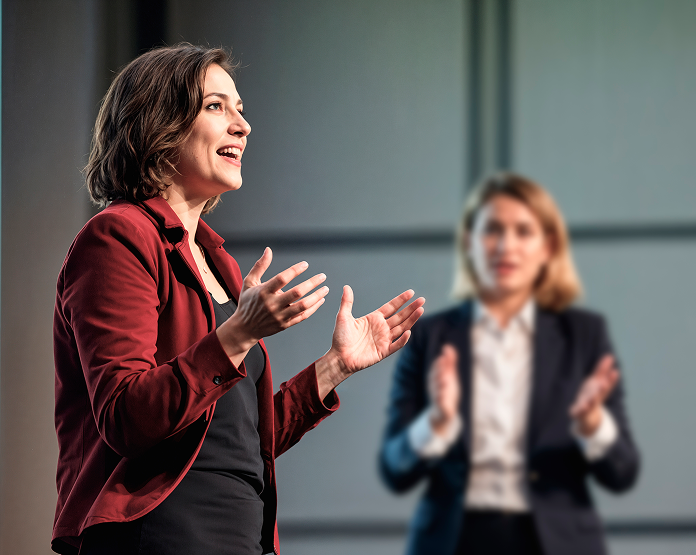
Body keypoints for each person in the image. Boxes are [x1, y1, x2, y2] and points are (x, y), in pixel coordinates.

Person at [52, 44, 425, 555]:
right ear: (158, 124)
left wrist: (334, 367)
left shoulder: (220, 263)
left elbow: (242, 438)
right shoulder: (118, 236)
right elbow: (126, 416)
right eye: (216, 106)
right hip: (156, 536)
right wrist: (239, 333)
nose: (243, 126)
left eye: (241, 110)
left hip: (238, 538)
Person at [379, 173, 639, 555]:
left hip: (558, 543)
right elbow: (394, 470)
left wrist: (592, 425)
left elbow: (623, 472)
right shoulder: (429, 336)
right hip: (453, 541)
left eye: (523, 231)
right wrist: (436, 422)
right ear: (469, 242)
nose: (506, 246)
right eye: (492, 230)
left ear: (548, 247)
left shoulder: (584, 333)